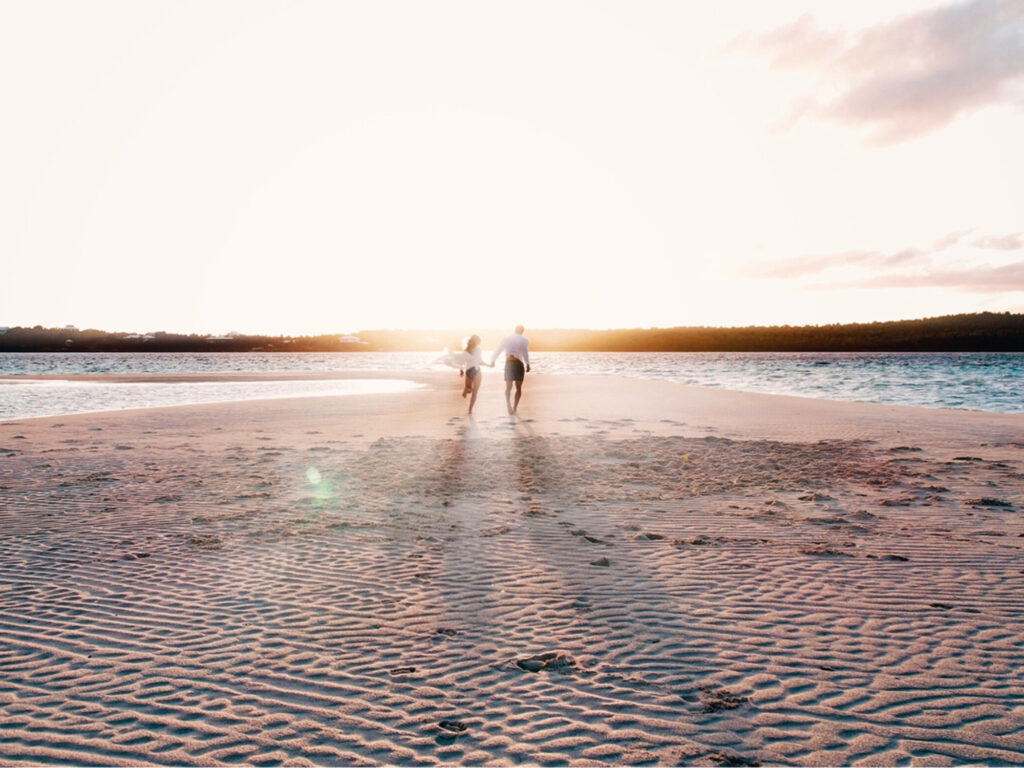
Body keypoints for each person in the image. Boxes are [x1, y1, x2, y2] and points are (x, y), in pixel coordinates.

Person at [490, 324, 530, 414]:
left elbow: (498, 349)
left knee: (508, 387)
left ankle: (508, 404)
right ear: (522, 331)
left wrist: (493, 360)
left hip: (509, 363)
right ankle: (515, 408)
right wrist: (527, 363)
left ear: (515, 330)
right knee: (518, 388)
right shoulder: (524, 340)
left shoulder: (505, 338)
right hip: (518, 363)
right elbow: (524, 352)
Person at [459, 334, 487, 415]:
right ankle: (470, 410)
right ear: (477, 341)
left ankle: (466, 389)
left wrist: (461, 370)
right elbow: (479, 361)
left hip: (469, 370)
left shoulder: (466, 350)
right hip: (476, 370)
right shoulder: (478, 350)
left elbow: (462, 361)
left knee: (470, 390)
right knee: (474, 392)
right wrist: (488, 365)